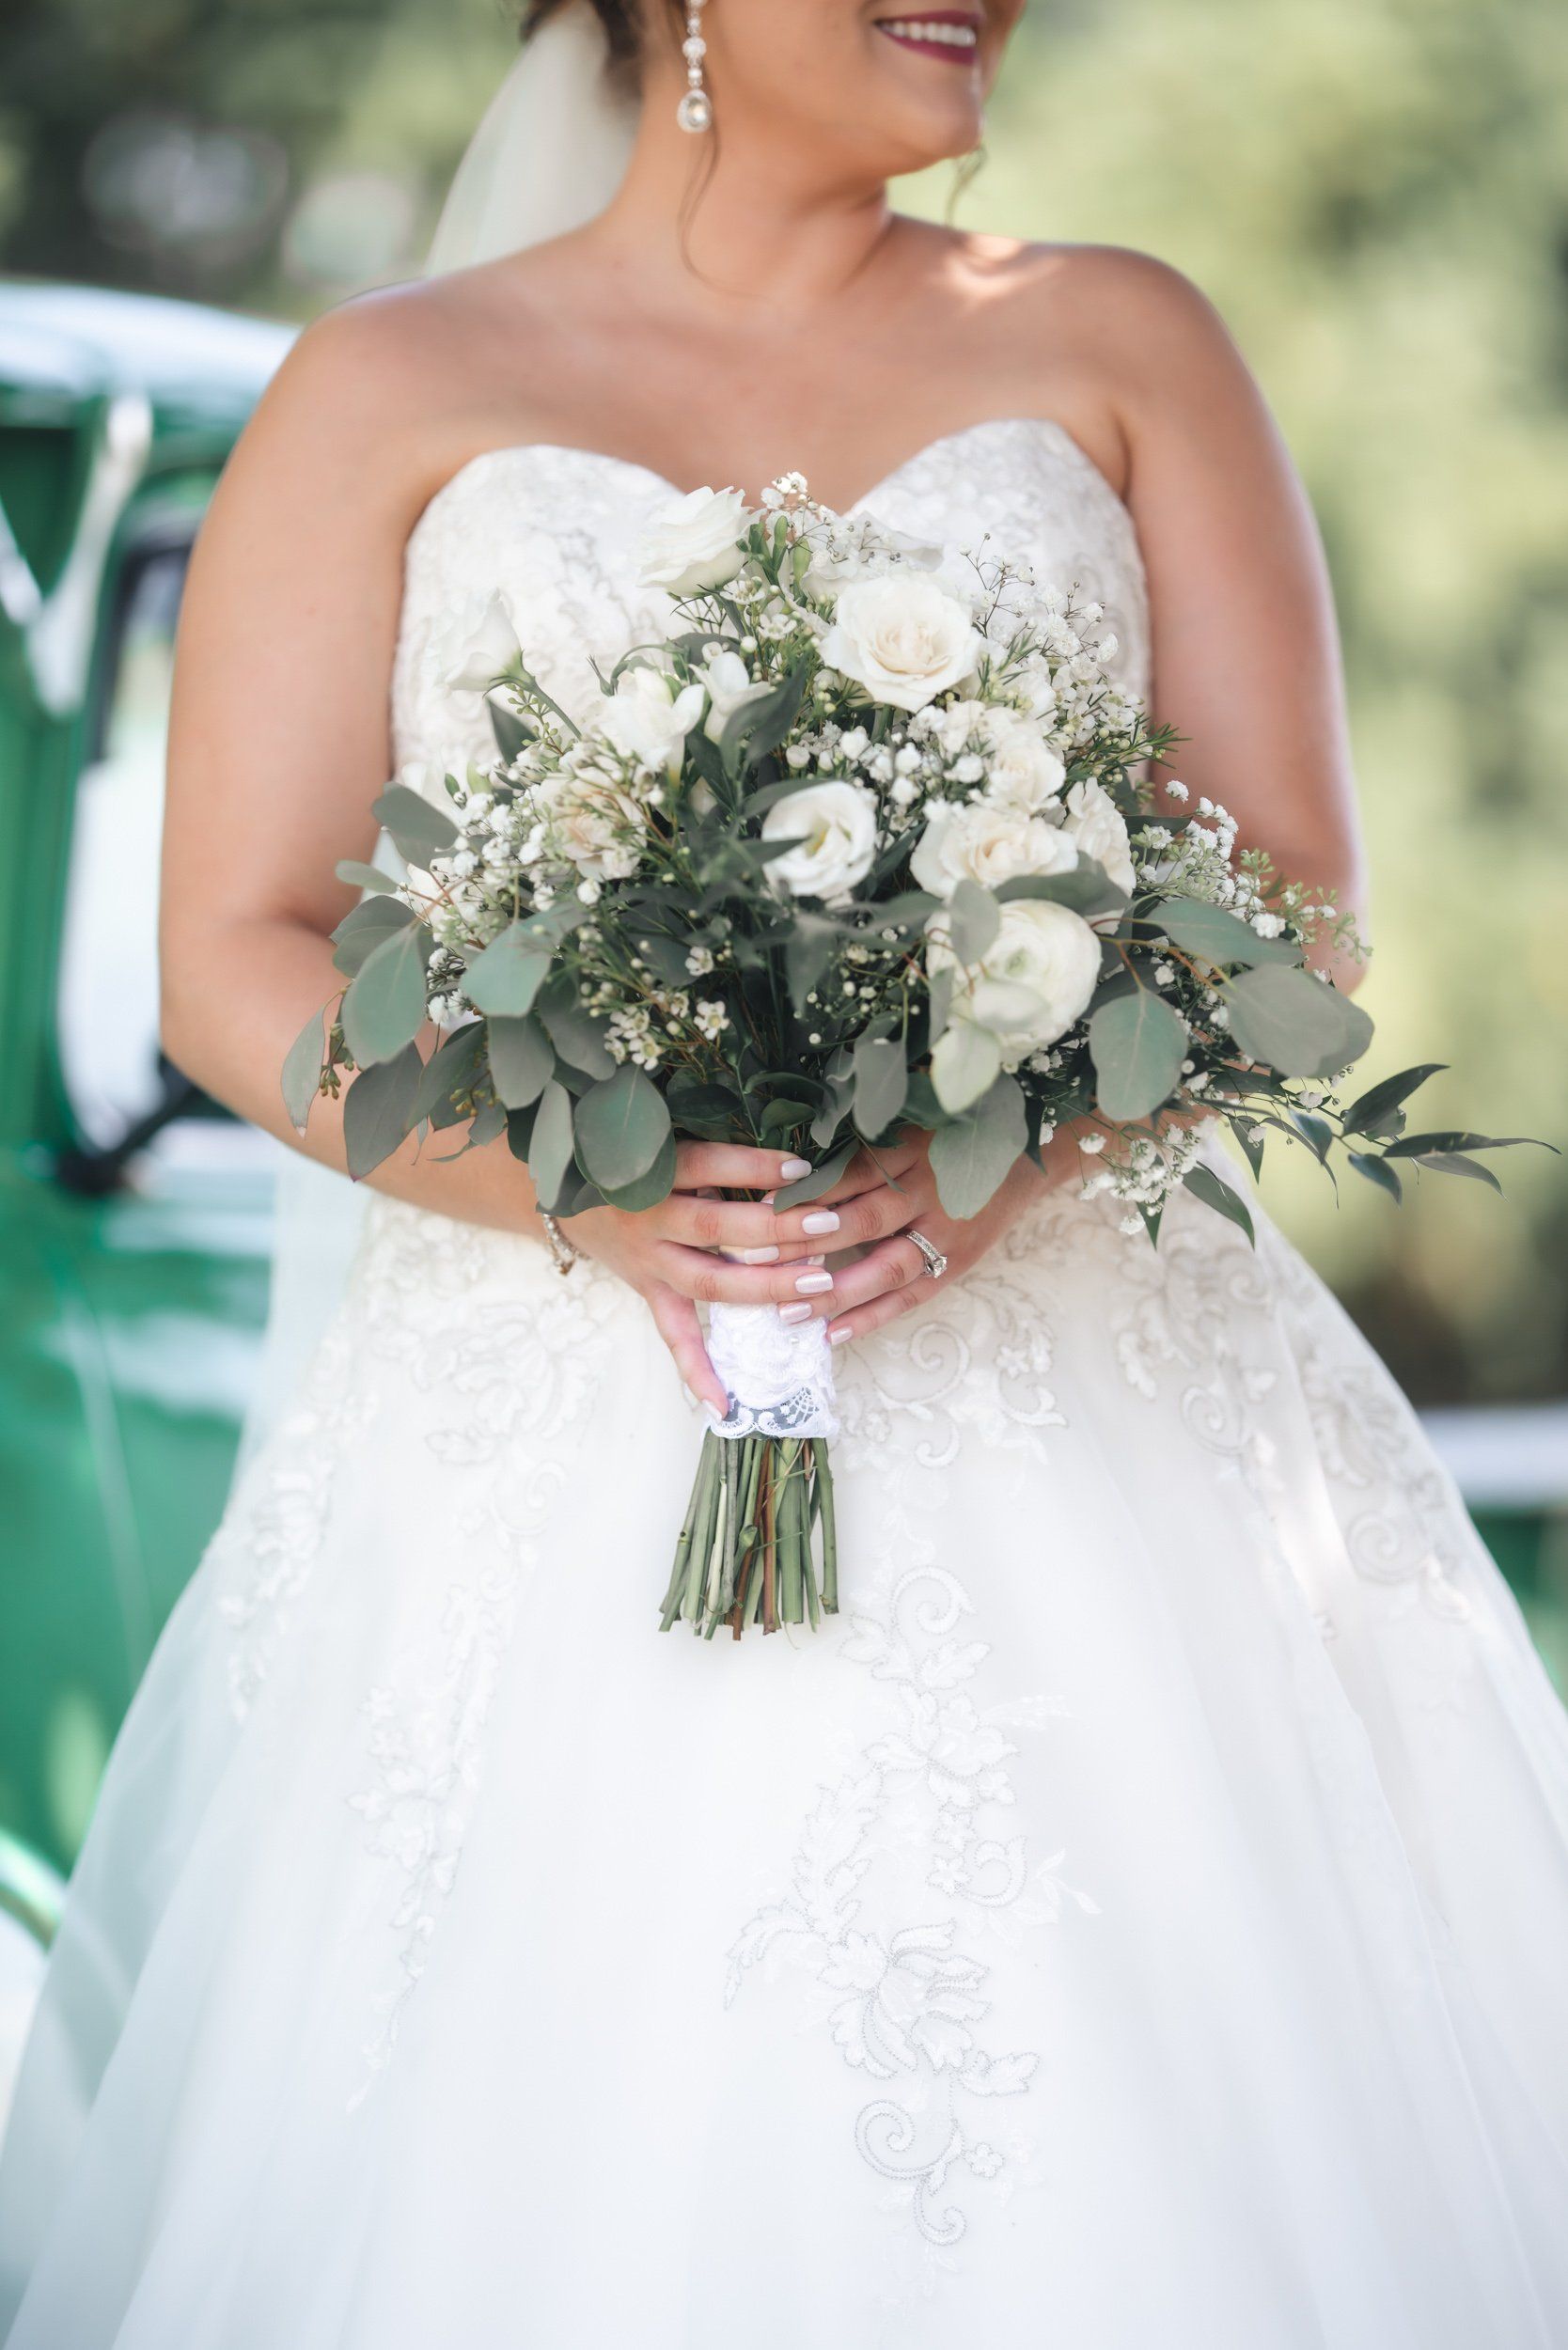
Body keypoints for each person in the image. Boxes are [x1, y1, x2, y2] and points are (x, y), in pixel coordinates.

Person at [4, 4, 1566, 2342]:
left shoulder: (1126, 337)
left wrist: (1004, 1158)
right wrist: (583, 1183)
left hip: (1092, 1414)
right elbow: (240, 946)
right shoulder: (386, 387)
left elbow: (1295, 910)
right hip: (545, 1449)